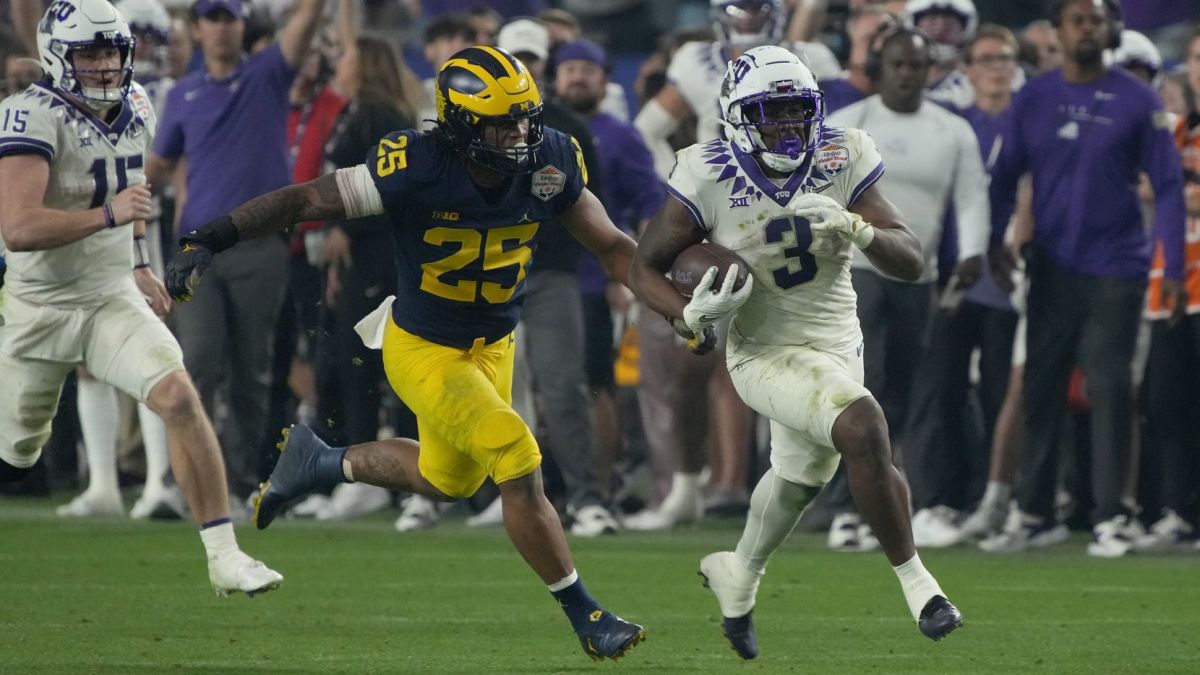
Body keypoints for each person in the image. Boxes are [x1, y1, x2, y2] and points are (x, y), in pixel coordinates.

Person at [163, 45, 645, 661]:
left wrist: (674, 300)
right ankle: (587, 614)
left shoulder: (550, 157)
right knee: (517, 453)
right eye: (502, 122)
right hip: (424, 348)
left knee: (450, 478)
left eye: (525, 117)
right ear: (461, 124)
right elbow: (308, 199)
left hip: (494, 344)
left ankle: (320, 463)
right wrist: (213, 236)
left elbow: (612, 246)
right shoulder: (414, 166)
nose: (520, 134)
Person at [629, 45, 963, 660]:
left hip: (839, 342)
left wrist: (858, 229)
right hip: (763, 353)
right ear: (735, 117)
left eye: (796, 111)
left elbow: (912, 260)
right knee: (861, 426)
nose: (787, 127)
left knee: (799, 477)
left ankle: (739, 576)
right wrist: (686, 315)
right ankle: (923, 588)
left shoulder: (843, 152)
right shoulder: (703, 171)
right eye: (771, 113)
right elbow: (643, 267)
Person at [0, 0, 281, 596]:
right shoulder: (28, 113)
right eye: (89, 52)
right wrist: (107, 216)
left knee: (179, 394)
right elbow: (19, 228)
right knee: (17, 453)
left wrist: (141, 262)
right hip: (38, 308)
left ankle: (224, 555)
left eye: (112, 51)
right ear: (58, 54)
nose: (104, 65)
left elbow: (132, 198)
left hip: (108, 297)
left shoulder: (139, 106)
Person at [982, 0, 1188, 558]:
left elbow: (1168, 184)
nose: (1088, 29)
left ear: (1111, 30)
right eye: (1078, 20)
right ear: (1061, 30)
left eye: (1097, 20)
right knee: (1041, 389)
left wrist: (1174, 267)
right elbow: (1004, 178)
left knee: (1110, 388)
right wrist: (994, 245)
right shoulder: (1035, 97)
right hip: (1051, 264)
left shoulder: (1139, 100)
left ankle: (1110, 518)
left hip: (1118, 265)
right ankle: (1035, 512)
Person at [146, 0, 327, 508]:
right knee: (197, 364)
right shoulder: (183, 94)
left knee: (252, 369)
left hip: (258, 244)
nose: (222, 28)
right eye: (213, 18)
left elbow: (307, 22)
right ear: (197, 28)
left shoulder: (266, 74)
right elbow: (158, 165)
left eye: (230, 18)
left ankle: (241, 481)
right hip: (198, 249)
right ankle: (189, 483)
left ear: (243, 26)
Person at [820, 25, 990, 552]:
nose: (908, 74)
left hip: (920, 279)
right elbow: (818, 197)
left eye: (917, 65)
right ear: (879, 67)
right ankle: (848, 511)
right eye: (898, 64)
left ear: (929, 69)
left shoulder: (950, 129)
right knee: (856, 391)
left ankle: (924, 500)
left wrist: (971, 252)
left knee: (925, 392)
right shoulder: (849, 126)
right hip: (855, 278)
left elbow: (970, 198)